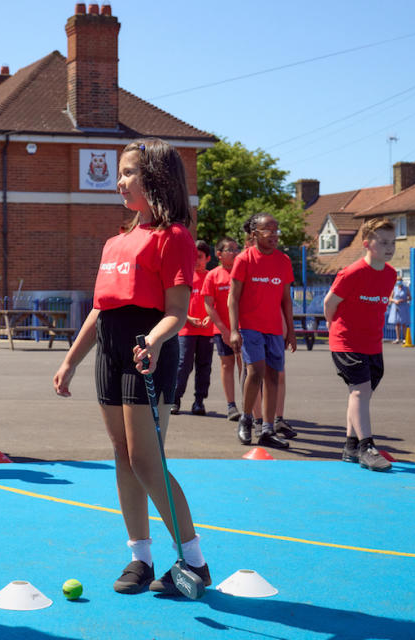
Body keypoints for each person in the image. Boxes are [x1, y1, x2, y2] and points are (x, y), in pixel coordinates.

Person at [53, 138, 209, 596]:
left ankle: (195, 562)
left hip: (147, 350)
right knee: (122, 457)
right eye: (119, 173)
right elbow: (101, 310)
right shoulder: (116, 241)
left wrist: (157, 341)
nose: (119, 182)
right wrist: (70, 361)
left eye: (129, 173)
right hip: (110, 352)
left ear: (156, 179)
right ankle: (140, 558)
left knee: (147, 459)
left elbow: (177, 310)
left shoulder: (174, 236)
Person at [323, 219, 398, 472]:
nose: (389, 247)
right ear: (367, 244)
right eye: (383, 242)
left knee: (361, 395)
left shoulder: (390, 274)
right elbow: (329, 304)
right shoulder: (351, 272)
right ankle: (367, 447)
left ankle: (350, 446)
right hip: (346, 342)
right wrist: (336, 329)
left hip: (373, 344)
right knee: (359, 391)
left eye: (392, 242)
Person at [228, 213, 297, 449]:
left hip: (274, 329)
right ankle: (247, 419)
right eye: (268, 230)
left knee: (273, 376)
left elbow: (286, 300)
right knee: (255, 371)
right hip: (249, 327)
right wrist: (234, 330)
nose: (274, 235)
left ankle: (268, 429)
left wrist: (291, 330)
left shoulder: (284, 261)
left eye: (276, 230)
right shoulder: (244, 259)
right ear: (254, 234)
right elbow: (233, 298)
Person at [171, 240, 214, 416]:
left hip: (207, 330)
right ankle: (175, 399)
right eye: (193, 257)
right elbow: (175, 302)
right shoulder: (184, 276)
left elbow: (218, 302)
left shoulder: (211, 276)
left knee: (204, 366)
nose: (196, 260)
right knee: (183, 365)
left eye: (200, 257)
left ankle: (199, 401)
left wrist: (211, 317)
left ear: (208, 258)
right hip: (186, 329)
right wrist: (187, 317)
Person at [203, 237, 242, 421]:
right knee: (227, 365)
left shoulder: (242, 272)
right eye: (230, 250)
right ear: (219, 254)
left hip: (244, 329)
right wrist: (224, 330)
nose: (235, 253)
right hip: (222, 331)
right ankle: (231, 405)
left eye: (236, 249)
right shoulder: (213, 275)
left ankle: (249, 405)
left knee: (246, 366)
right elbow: (209, 305)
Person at [387, 275, 410, 344]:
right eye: (398, 281)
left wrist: (404, 300)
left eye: (400, 280)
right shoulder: (394, 289)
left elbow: (410, 297)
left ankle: (405, 339)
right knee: (397, 324)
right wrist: (395, 301)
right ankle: (397, 339)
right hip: (396, 307)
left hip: (403, 307)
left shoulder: (406, 288)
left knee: (403, 324)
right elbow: (390, 298)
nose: (399, 282)